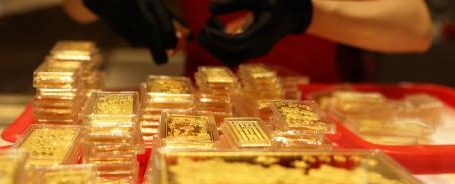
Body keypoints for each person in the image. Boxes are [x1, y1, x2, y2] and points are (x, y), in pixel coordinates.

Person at [63, 0, 432, 82]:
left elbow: (415, 29)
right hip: (207, 114)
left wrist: (306, 12)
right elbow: (77, 10)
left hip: (322, 111)